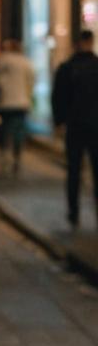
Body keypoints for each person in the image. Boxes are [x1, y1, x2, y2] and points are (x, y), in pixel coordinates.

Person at [52, 29, 98, 228]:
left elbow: (58, 97)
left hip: (75, 126)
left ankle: (73, 212)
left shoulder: (67, 67)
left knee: (74, 170)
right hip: (95, 127)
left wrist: (59, 122)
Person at [0, 39, 34, 176]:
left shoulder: (3, 60)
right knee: (18, 131)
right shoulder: (25, 61)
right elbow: (31, 80)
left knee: (5, 130)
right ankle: (17, 158)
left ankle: (5, 156)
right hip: (21, 103)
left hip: (6, 103)